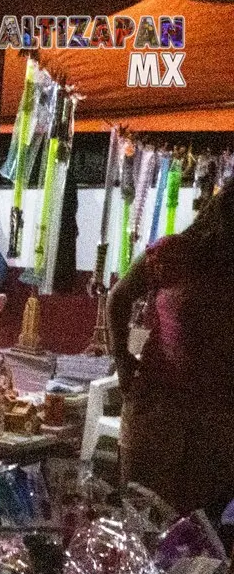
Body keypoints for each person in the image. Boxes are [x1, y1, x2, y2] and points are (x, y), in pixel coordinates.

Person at [109, 184, 234, 520]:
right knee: (144, 519)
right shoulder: (175, 253)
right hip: (159, 409)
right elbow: (119, 298)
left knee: (199, 531)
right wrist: (121, 360)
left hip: (218, 420)